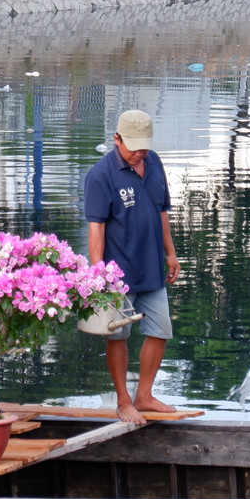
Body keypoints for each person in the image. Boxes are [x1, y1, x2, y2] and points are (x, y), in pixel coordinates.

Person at [84, 109, 181, 424]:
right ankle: (124, 401)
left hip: (152, 266)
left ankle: (145, 394)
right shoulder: (101, 175)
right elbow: (96, 228)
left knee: (160, 330)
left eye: (145, 146)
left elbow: (162, 210)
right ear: (117, 139)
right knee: (118, 336)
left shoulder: (154, 164)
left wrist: (171, 252)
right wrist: (98, 274)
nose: (140, 152)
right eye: (134, 146)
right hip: (118, 274)